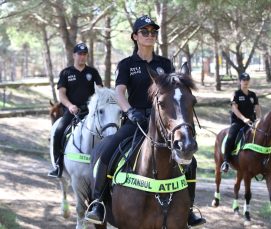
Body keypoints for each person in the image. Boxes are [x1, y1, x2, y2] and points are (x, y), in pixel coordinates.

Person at [84, 15, 206, 227]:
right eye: (145, 32)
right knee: (106, 151)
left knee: (191, 161)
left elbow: (174, 93)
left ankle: (190, 210)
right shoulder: (126, 64)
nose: (150, 35)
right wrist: (130, 111)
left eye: (153, 32)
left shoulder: (165, 64)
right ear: (135, 36)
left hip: (162, 121)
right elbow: (119, 92)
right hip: (135, 120)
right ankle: (97, 203)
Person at [48, 42, 103, 178]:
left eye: (85, 54)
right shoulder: (66, 73)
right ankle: (58, 165)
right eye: (79, 54)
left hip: (90, 112)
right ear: (74, 55)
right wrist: (70, 106)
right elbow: (61, 94)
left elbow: (100, 91)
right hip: (72, 111)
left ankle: (107, 166)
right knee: (58, 131)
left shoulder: (93, 72)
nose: (82, 57)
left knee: (108, 131)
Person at [221, 72, 262, 173]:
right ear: (240, 81)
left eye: (247, 80)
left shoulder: (253, 95)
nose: (246, 82)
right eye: (243, 80)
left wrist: (259, 119)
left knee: (263, 136)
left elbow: (257, 108)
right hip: (238, 122)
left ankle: (265, 160)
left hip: (251, 123)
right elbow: (234, 109)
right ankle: (226, 161)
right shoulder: (236, 94)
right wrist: (244, 119)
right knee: (231, 137)